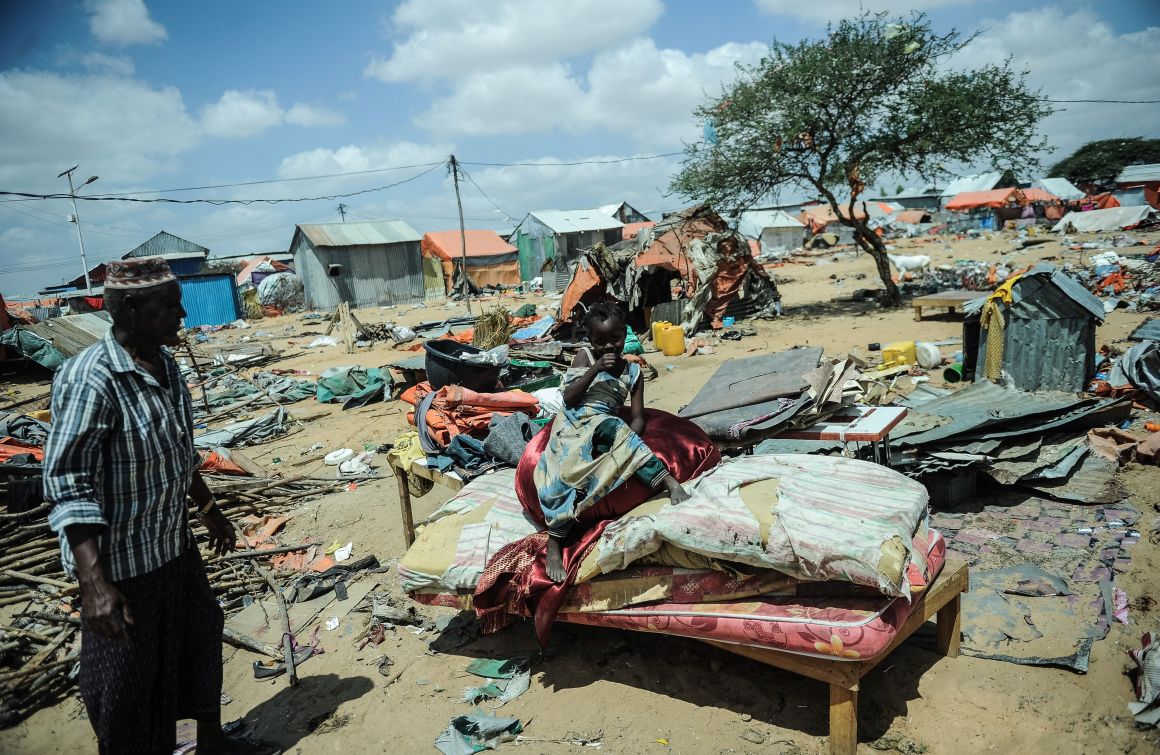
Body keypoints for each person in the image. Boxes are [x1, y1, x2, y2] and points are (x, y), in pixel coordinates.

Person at [43, 258, 277, 755]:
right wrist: (94, 585)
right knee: (126, 688)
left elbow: (178, 449)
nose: (182, 315)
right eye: (168, 306)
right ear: (129, 307)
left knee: (195, 658)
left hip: (172, 549)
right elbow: (68, 482)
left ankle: (197, 746)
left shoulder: (165, 364)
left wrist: (209, 509)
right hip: (121, 569)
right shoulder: (91, 379)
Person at [533, 302, 690, 582]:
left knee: (615, 428)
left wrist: (630, 441)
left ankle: (666, 481)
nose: (608, 347)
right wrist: (594, 370)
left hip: (606, 425)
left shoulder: (633, 372)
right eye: (600, 341)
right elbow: (568, 398)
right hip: (573, 423)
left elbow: (639, 417)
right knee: (561, 471)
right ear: (591, 341)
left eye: (615, 339)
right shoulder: (584, 358)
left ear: (625, 335)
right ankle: (555, 541)